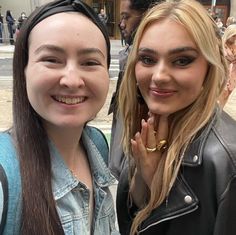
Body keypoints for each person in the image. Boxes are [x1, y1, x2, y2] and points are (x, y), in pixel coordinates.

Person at [116, 0, 236, 235]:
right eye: (148, 59)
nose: (159, 76)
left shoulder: (227, 161)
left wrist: (162, 193)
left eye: (182, 61)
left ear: (209, 68)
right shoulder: (146, 129)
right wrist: (144, 184)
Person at [0, 0, 119, 234]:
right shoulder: (5, 175)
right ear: (22, 71)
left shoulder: (96, 144)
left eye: (90, 62)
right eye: (52, 60)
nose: (72, 80)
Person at [108, 0, 159, 180]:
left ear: (146, 14)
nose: (122, 24)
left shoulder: (151, 68)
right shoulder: (128, 53)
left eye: (126, 17)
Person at [219, 24, 236, 107]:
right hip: (222, 73)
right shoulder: (220, 45)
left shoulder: (235, 46)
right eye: (233, 35)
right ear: (229, 34)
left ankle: (220, 112)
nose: (234, 38)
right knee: (221, 93)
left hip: (233, 75)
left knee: (227, 95)